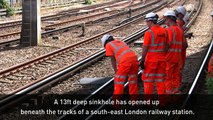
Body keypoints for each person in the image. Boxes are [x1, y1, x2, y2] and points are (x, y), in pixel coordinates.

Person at [101, 34, 139, 104]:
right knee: (133, 81)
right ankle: (134, 102)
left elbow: (113, 59)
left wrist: (116, 71)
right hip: (134, 59)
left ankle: (115, 104)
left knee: (118, 81)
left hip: (125, 62)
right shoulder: (121, 42)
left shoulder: (108, 45)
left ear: (105, 42)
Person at [140, 12, 167, 96]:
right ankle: (162, 101)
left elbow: (145, 47)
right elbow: (167, 45)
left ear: (150, 21)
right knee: (160, 80)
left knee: (148, 80)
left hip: (151, 60)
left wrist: (142, 59)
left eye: (146, 22)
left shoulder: (149, 33)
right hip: (162, 60)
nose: (146, 23)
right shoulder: (164, 31)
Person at [163, 10, 186, 94]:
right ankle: (176, 93)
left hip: (169, 58)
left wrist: (162, 54)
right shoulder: (180, 30)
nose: (165, 21)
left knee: (168, 76)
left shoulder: (168, 30)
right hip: (177, 57)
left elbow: (167, 45)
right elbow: (184, 45)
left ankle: (169, 95)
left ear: (169, 19)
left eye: (166, 19)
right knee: (176, 76)